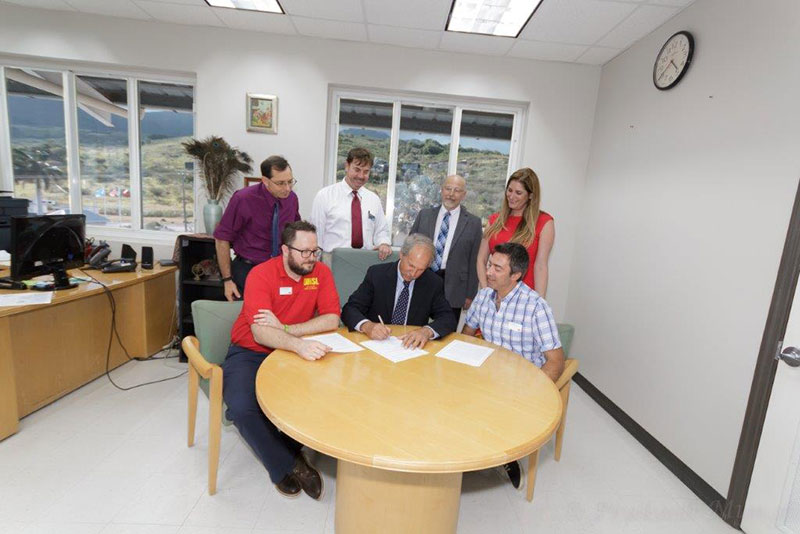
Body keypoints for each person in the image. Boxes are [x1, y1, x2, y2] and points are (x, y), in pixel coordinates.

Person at [221, 221, 340, 499]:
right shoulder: (261, 274)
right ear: (285, 250)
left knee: (317, 398)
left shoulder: (320, 273)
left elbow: (332, 319)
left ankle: (285, 449)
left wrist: (287, 330)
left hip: (292, 349)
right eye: (304, 252)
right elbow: (260, 332)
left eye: (315, 251)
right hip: (250, 351)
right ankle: (288, 462)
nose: (311, 258)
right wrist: (297, 344)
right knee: (240, 408)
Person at [463, 242, 564, 490]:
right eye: (489, 265)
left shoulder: (535, 307)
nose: (488, 272)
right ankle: (467, 450)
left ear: (516, 275)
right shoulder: (484, 295)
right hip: (486, 372)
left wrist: (532, 394)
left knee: (499, 408)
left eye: (497, 268)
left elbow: (556, 360)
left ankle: (507, 457)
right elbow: (466, 334)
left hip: (520, 382)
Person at [341, 233, 456, 349]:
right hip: (377, 345)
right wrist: (367, 326)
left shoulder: (433, 283)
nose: (413, 273)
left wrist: (426, 331)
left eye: (421, 269)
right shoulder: (377, 275)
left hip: (410, 348)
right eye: (411, 265)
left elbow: (448, 318)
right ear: (401, 254)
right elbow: (350, 309)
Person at [214, 155, 300, 301]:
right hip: (247, 270)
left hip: (280, 270)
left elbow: (295, 234)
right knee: (251, 318)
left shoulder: (292, 199)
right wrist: (227, 280)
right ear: (265, 181)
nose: (287, 188)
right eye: (280, 183)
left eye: (290, 182)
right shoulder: (243, 199)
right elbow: (222, 238)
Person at [410, 174, 482, 320]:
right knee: (414, 327)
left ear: (464, 194)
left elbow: (475, 260)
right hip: (422, 278)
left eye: (457, 190)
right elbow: (409, 248)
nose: (451, 194)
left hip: (455, 286)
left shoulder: (474, 223)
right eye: (448, 189)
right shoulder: (424, 215)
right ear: (441, 190)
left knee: (446, 332)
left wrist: (470, 294)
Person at [476, 167, 554, 297]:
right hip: (494, 296)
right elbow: (481, 259)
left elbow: (540, 266)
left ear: (530, 195)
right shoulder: (495, 220)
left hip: (524, 298)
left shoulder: (544, 222)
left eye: (518, 193)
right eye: (509, 190)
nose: (511, 196)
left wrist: (540, 302)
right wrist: (485, 291)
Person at [310, 147, 392, 261]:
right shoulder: (324, 196)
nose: (361, 176)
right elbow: (316, 235)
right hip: (331, 260)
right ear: (347, 166)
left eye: (366, 171)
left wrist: (383, 243)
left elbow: (381, 230)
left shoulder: (373, 199)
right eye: (357, 169)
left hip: (365, 260)